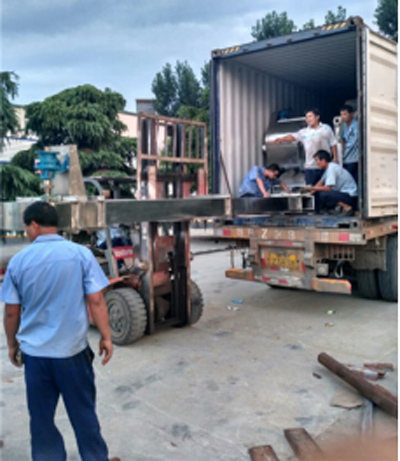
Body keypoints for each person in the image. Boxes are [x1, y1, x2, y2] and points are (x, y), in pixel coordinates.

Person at [1, 201, 120, 461]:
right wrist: (107, 337)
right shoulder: (80, 254)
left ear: (34, 225)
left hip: (36, 357)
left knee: (41, 420)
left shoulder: (19, 261)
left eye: (26, 227)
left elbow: (11, 311)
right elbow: (97, 300)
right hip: (72, 353)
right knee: (84, 414)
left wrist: (12, 345)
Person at [274, 108, 338, 186]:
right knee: (310, 189)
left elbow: (333, 143)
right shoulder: (304, 132)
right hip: (310, 166)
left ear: (317, 117)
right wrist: (282, 139)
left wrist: (335, 158)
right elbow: (293, 136)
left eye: (310, 116)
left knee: (326, 188)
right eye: (306, 117)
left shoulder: (326, 128)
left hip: (325, 165)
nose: (308, 119)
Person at [310, 150, 358, 215]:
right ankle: (336, 209)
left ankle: (347, 208)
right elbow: (320, 182)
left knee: (324, 194)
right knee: (320, 193)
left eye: (317, 160)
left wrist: (312, 187)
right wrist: (309, 191)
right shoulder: (328, 168)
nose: (316, 163)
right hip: (345, 195)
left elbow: (327, 188)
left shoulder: (331, 169)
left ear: (324, 160)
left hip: (350, 196)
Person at [340, 104, 359, 183]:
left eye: (345, 114)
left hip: (354, 157)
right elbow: (342, 139)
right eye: (341, 115)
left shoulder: (356, 125)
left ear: (351, 114)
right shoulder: (343, 125)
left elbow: (353, 142)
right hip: (345, 159)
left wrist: (343, 153)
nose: (343, 117)